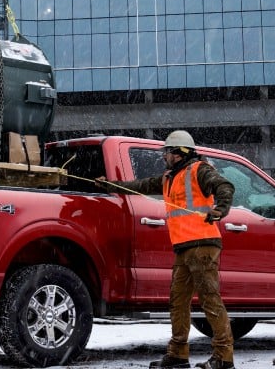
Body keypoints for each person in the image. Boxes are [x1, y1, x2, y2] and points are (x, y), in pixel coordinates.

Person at [98, 131, 235, 369]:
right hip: (183, 247)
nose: (164, 156)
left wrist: (220, 209)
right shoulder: (169, 178)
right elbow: (139, 186)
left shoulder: (199, 170)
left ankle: (224, 358)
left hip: (203, 245)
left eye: (167, 152)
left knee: (209, 300)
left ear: (180, 152)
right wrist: (110, 185)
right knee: (178, 301)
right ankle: (178, 354)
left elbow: (224, 186)